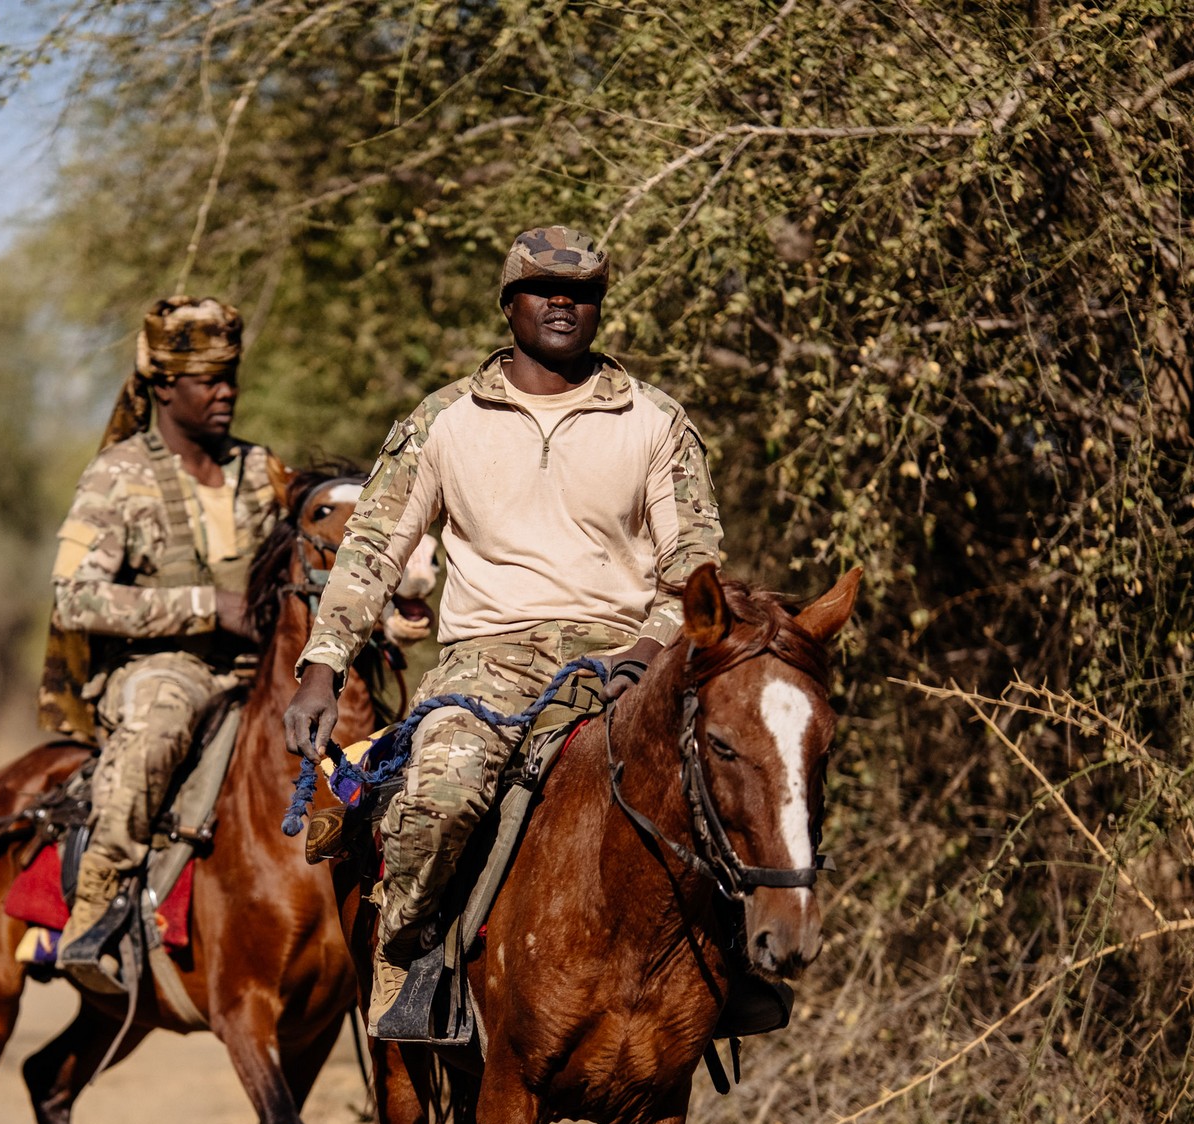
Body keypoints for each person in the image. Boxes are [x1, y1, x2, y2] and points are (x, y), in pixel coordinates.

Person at [282, 227, 723, 1035]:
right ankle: (403, 955)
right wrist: (323, 666)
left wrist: (650, 646)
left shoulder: (655, 420)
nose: (563, 303)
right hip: (488, 661)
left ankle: (733, 974)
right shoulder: (444, 419)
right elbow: (373, 549)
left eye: (582, 292)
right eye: (545, 288)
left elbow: (694, 572)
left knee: (730, 780)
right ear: (509, 303)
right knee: (442, 795)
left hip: (626, 659)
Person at [46, 295, 286, 994]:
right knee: (160, 722)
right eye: (208, 380)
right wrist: (205, 606)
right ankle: (97, 899)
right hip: (158, 669)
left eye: (230, 377)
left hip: (264, 671)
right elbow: (75, 598)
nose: (226, 392)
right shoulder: (117, 475)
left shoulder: (262, 470)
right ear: (162, 387)